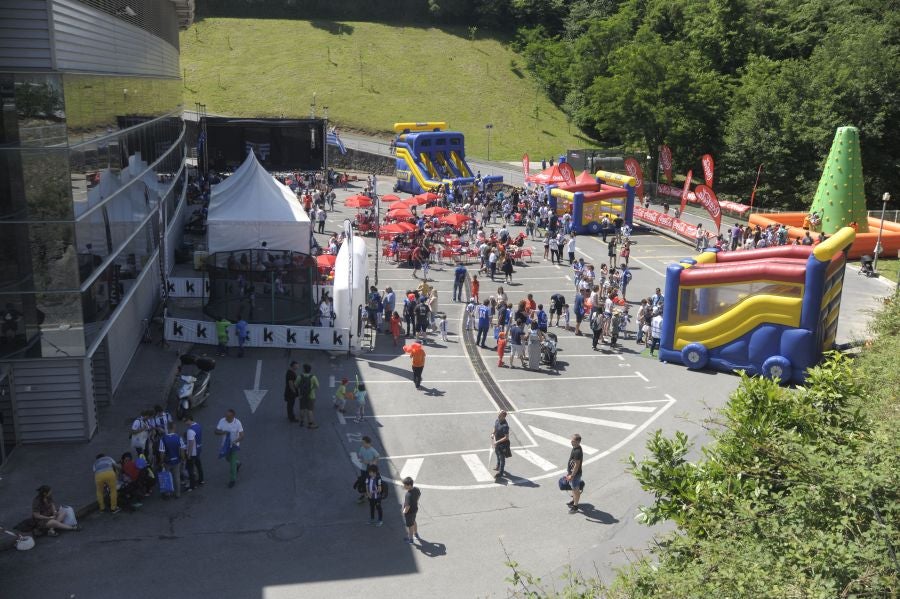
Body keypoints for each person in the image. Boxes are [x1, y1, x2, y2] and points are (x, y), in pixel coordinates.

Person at [215, 409, 244, 488]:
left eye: (228, 417)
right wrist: (223, 432)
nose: (226, 418)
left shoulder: (238, 423)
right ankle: (237, 463)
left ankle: (232, 479)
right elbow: (216, 431)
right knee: (228, 458)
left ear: (233, 416)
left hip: (234, 445)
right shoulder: (222, 421)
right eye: (225, 416)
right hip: (225, 444)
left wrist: (235, 441)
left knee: (232, 464)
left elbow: (242, 435)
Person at [159, 421, 186, 498]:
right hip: (177, 461)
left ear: (167, 428)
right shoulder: (178, 438)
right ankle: (178, 493)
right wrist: (183, 459)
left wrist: (161, 461)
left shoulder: (163, 439)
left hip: (167, 461)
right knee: (177, 477)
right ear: (174, 427)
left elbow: (162, 452)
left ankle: (168, 493)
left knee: (166, 476)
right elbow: (182, 450)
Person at [356, 436, 380, 503]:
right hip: (363, 468)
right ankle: (363, 495)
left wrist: (372, 463)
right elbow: (360, 455)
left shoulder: (372, 450)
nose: (362, 444)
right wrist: (362, 460)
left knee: (372, 483)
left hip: (371, 470)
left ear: (368, 443)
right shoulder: (362, 448)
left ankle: (374, 498)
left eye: (363, 443)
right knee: (363, 481)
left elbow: (377, 457)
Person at [184, 413, 204, 490]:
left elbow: (191, 443)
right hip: (199, 449)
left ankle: (192, 485)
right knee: (199, 466)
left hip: (192, 452)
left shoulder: (190, 431)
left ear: (189, 420)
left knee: (190, 469)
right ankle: (201, 480)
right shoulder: (198, 426)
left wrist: (188, 454)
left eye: (185, 421)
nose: (185, 423)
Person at [297, 363, 320, 429]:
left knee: (302, 408)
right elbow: (317, 386)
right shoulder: (313, 377)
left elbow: (296, 385)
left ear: (304, 369)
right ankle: (310, 424)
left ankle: (301, 421)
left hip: (302, 395)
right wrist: (312, 388)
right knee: (310, 410)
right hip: (311, 395)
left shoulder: (300, 376)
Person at [565, 434, 584, 513]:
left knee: (576, 490)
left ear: (577, 442)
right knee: (573, 488)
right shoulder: (575, 448)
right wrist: (569, 473)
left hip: (575, 475)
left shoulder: (577, 451)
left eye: (573, 440)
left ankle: (575, 506)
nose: (571, 441)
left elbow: (577, 465)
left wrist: (572, 475)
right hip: (572, 473)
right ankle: (574, 500)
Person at [402, 477, 422, 544]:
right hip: (415, 509)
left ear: (409, 485)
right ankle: (416, 534)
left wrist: (404, 512)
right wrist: (415, 501)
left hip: (409, 512)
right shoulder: (416, 489)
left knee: (410, 525)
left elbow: (407, 506)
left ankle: (410, 539)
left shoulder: (408, 495)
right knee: (413, 521)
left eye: (405, 485)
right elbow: (419, 495)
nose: (404, 486)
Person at [491, 411, 511, 479]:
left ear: (503, 416)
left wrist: (497, 442)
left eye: (500, 414)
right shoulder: (498, 420)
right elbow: (495, 426)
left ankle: (501, 472)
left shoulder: (505, 426)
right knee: (497, 454)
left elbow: (506, 437)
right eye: (498, 414)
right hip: (497, 442)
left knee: (502, 458)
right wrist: (493, 433)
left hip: (503, 445)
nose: (498, 415)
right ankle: (498, 465)